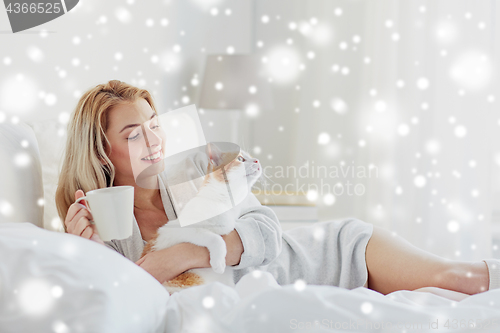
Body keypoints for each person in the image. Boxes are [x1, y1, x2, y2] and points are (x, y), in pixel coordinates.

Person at [56, 80, 500, 299]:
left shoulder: (187, 176)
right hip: (291, 294)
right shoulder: (99, 224)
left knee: (459, 279)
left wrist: (188, 253)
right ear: (100, 151)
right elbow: (122, 295)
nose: (154, 141)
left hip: (332, 255)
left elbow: (267, 234)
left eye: (155, 126)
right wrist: (84, 255)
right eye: (134, 134)